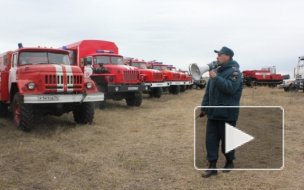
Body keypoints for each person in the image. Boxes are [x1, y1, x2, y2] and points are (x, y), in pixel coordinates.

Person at [200, 46, 243, 178]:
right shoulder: (216, 71)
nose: (217, 57)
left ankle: (229, 161)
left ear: (227, 57)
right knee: (211, 140)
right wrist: (204, 107)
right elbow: (208, 91)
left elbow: (230, 89)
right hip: (213, 113)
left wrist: (216, 77)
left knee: (227, 140)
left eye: (220, 55)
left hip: (227, 114)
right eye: (217, 55)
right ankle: (212, 166)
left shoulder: (235, 73)